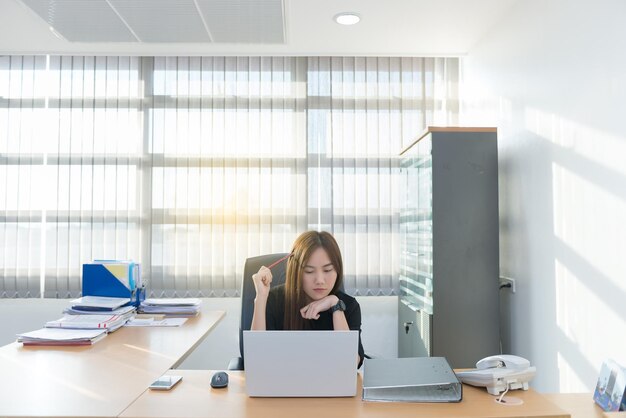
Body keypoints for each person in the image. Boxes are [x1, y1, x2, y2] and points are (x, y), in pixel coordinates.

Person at [250, 230, 365, 368]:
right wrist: (261, 298)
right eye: (309, 271)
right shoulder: (274, 300)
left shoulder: (348, 306)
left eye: (327, 270)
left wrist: (335, 305)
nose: (320, 280)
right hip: (280, 386)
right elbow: (256, 359)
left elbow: (350, 364)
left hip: (329, 387)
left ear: (337, 270)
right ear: (296, 271)